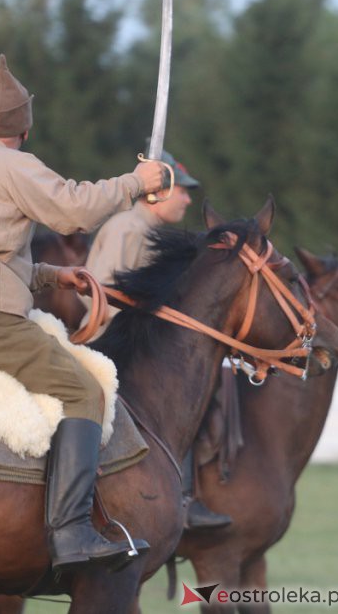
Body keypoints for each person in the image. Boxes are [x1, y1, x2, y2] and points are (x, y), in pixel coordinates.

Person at [0, 54, 165, 580]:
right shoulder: (13, 164)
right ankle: (71, 533)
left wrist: (48, 276)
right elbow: (75, 210)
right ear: (25, 123)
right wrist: (136, 181)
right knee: (85, 391)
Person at [83, 146, 232, 531]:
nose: (187, 197)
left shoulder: (142, 230)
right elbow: (107, 294)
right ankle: (177, 498)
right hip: (116, 349)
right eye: (181, 189)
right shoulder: (128, 229)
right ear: (157, 192)